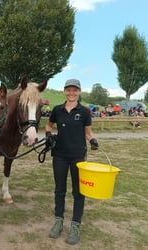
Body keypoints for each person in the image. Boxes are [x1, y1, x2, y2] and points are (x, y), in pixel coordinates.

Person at [45, 79, 99, 245]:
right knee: (59, 190)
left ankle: (75, 225)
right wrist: (48, 135)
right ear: (64, 91)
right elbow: (48, 125)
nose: (71, 93)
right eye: (68, 90)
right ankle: (58, 221)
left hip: (78, 158)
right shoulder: (57, 110)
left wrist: (93, 140)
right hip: (59, 155)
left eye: (74, 90)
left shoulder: (84, 112)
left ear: (79, 92)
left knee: (78, 192)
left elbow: (88, 133)